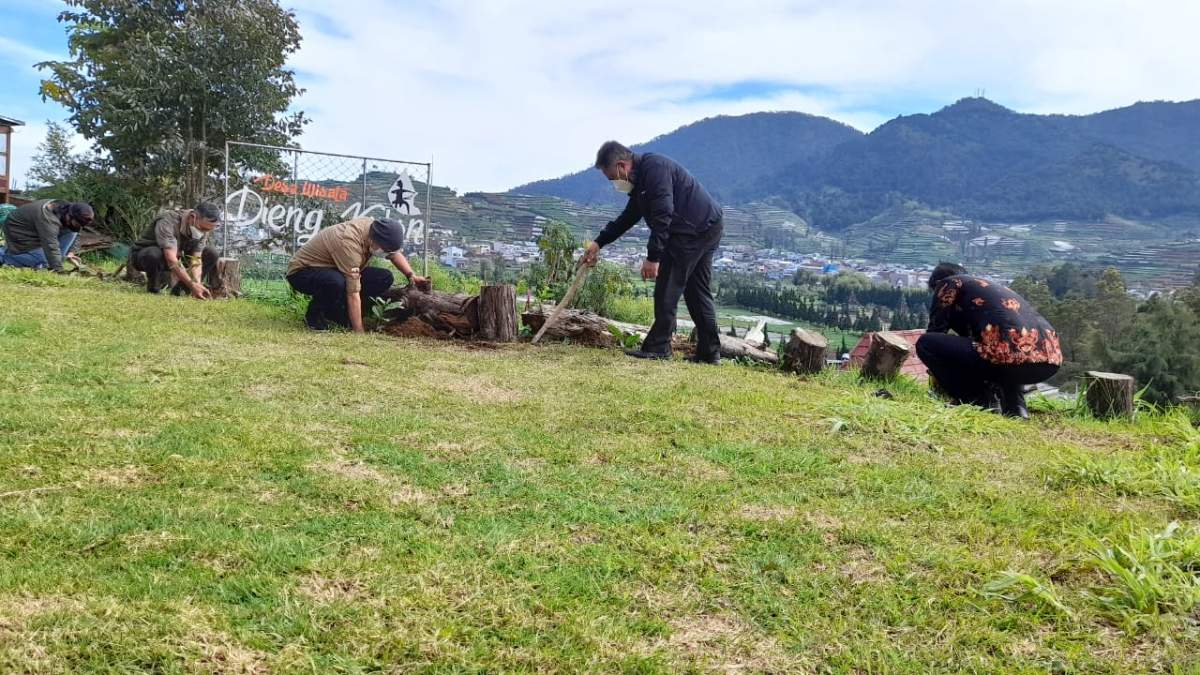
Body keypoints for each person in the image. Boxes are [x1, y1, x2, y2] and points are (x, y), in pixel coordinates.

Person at [581, 141, 725, 364]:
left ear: (622, 166)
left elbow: (663, 214)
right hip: (707, 225)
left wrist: (653, 257)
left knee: (667, 287)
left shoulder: (655, 170)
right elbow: (628, 218)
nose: (614, 183)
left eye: (612, 177)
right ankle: (709, 353)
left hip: (692, 231)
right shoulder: (641, 183)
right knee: (697, 292)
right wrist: (599, 243)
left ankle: (659, 347)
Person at [916, 262, 1062, 419]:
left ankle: (977, 399)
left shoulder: (949, 283)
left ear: (937, 284)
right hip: (1049, 360)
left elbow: (936, 331)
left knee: (926, 343)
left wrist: (939, 374)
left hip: (1009, 356)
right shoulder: (991, 289)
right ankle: (1016, 408)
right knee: (1003, 353)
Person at [286, 217, 427, 332]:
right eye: (385, 250)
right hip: (302, 272)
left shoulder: (375, 230)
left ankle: (336, 313)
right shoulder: (350, 243)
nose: (386, 254)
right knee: (336, 282)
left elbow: (394, 254)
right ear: (374, 241)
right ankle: (314, 316)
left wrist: (411, 275)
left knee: (383, 278)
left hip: (334, 268)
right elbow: (353, 292)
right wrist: (359, 331)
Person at [130, 202, 221, 298]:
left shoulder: (204, 229)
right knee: (154, 254)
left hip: (177, 256)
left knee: (211, 253)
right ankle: (154, 289)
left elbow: (196, 259)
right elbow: (171, 259)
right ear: (193, 217)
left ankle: (182, 291)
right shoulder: (168, 221)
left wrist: (196, 283)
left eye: (208, 230)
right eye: (202, 228)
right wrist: (192, 284)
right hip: (145, 257)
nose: (204, 232)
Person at [0, 199, 94, 272]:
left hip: (35, 229)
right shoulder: (48, 218)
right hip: (18, 229)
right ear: (69, 215)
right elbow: (51, 245)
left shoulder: (68, 211)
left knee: (71, 231)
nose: (77, 226)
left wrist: (70, 253)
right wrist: (59, 271)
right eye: (76, 223)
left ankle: (55, 262)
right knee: (43, 260)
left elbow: (76, 232)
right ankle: (5, 257)